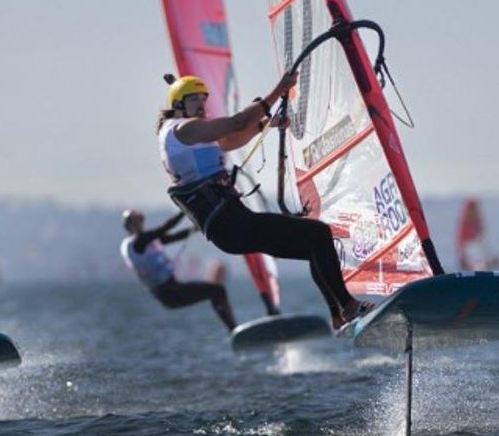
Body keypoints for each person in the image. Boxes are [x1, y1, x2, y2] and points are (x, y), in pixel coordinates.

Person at [157, 74, 371, 330]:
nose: (202, 105)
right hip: (232, 223)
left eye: (204, 99)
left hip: (229, 227)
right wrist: (278, 90)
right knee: (319, 233)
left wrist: (266, 125)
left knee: (313, 246)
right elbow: (238, 122)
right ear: (179, 103)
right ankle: (346, 306)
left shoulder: (183, 134)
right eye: (194, 100)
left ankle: (338, 314)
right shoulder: (185, 129)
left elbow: (230, 140)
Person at [120, 209, 237, 332]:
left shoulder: (145, 241)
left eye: (141, 219)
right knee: (217, 291)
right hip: (170, 292)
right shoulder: (138, 242)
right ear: (129, 225)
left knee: (216, 291)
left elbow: (177, 236)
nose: (140, 223)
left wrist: (201, 226)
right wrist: (184, 210)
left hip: (172, 292)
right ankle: (233, 330)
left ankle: (233, 329)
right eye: (136, 221)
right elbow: (165, 228)